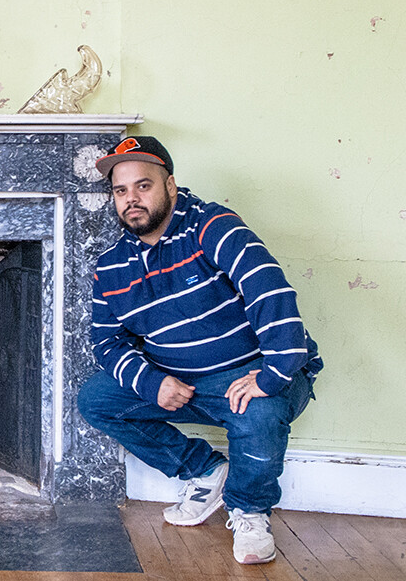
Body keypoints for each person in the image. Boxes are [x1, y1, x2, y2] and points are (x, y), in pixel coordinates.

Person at [77, 136, 322, 565]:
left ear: (170, 185)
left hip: (250, 373)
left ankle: (249, 510)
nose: (131, 199)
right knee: (96, 399)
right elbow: (107, 342)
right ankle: (204, 471)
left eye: (144, 185)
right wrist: (151, 383)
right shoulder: (112, 266)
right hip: (181, 382)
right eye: (121, 190)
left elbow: (271, 292)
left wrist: (272, 375)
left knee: (259, 411)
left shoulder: (212, 226)